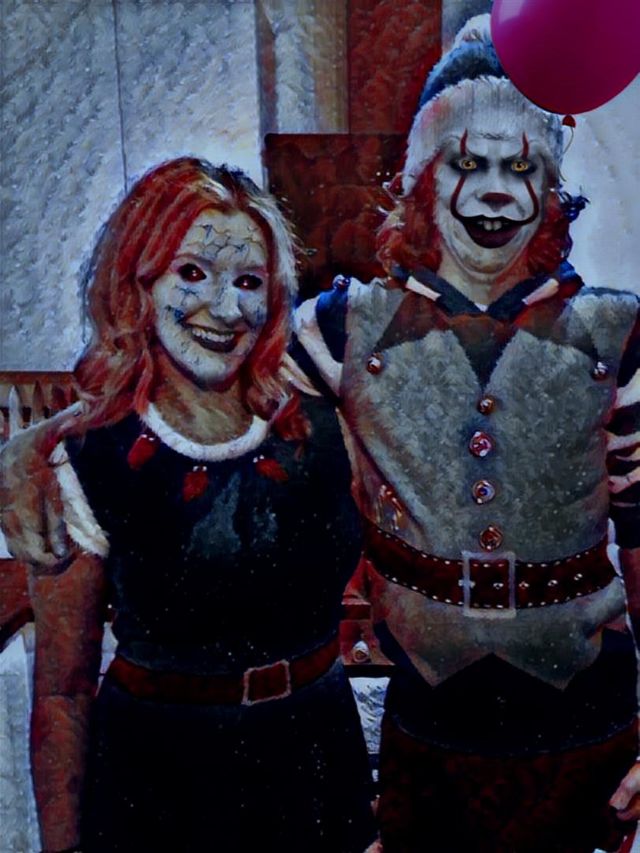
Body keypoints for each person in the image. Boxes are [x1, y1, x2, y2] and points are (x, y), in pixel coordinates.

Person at [293, 15, 640, 853]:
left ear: (551, 188)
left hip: (586, 731)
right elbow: (207, 416)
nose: (494, 193)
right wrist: (47, 449)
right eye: (466, 163)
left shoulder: (618, 334)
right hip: (430, 732)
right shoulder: (338, 328)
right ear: (422, 178)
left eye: (521, 168)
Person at [0, 158, 377, 852]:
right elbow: (63, 688)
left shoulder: (326, 422)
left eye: (249, 282)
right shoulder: (86, 458)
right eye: (192, 273)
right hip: (158, 787)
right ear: (137, 282)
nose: (224, 309)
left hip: (317, 766)